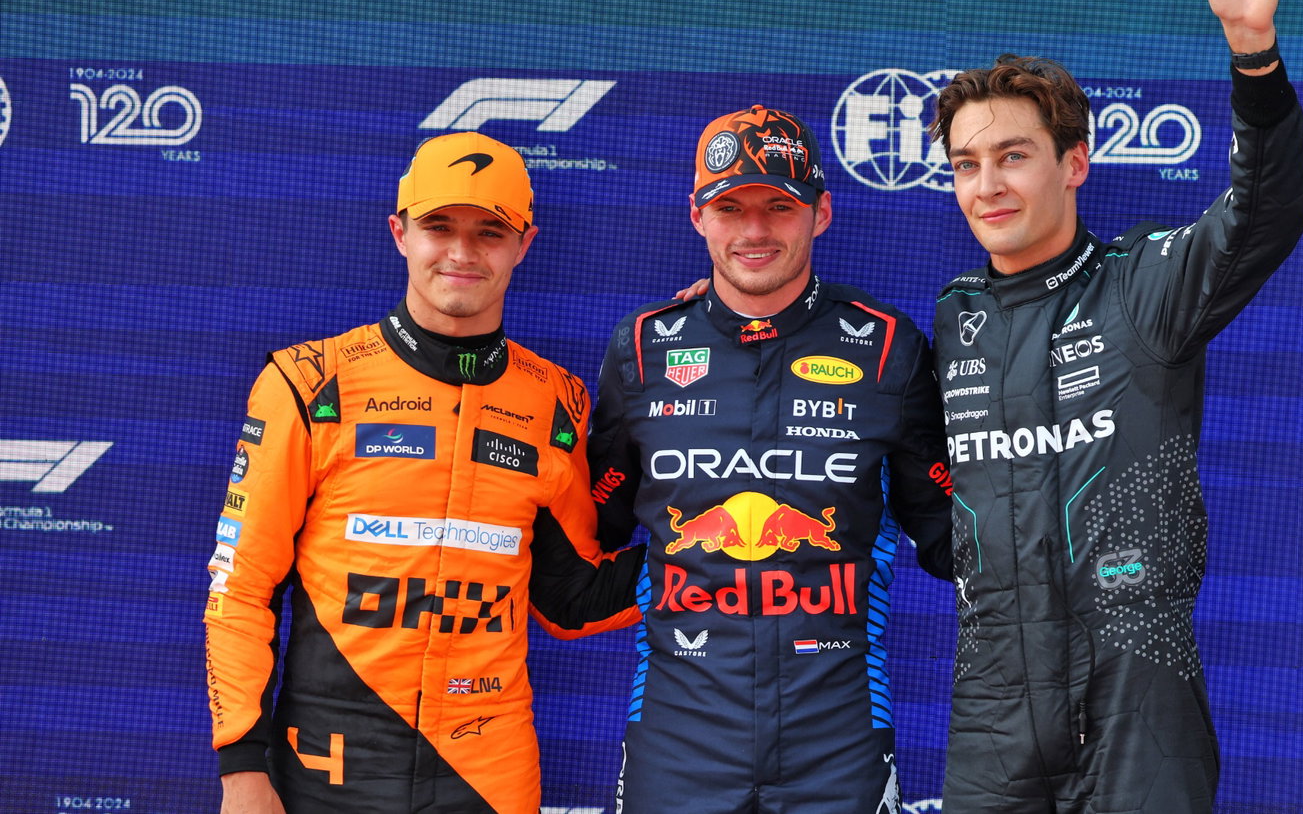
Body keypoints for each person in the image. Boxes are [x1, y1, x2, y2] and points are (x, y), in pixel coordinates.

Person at [925, 0, 1303, 811]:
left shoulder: (1143, 286)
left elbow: (1266, 209)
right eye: (967, 164)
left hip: (1139, 695)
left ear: (1076, 164)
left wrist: (1253, 52)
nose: (988, 185)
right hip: (993, 712)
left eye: (1013, 157)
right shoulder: (955, 321)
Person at [203, 131, 643, 814]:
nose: (463, 253)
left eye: (489, 232)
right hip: (325, 771)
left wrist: (707, 558)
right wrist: (241, 770)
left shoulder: (557, 401)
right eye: (439, 226)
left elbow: (570, 600)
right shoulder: (308, 385)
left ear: (523, 244)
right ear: (399, 232)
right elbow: (240, 591)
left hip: (489, 776)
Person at [586, 105, 954, 813]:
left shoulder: (887, 348)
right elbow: (589, 533)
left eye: (779, 207)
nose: (754, 231)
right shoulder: (641, 349)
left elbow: (950, 536)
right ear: (697, 217)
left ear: (821, 212)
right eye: (731, 208)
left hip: (837, 737)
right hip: (676, 735)